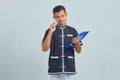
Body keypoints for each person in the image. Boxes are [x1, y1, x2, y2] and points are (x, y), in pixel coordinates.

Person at [42, 5, 82, 80]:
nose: (60, 19)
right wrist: (51, 32)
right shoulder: (49, 31)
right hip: (55, 69)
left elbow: (79, 51)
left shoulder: (73, 31)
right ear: (54, 17)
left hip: (69, 68)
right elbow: (44, 49)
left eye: (62, 16)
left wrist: (76, 43)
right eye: (57, 17)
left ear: (66, 14)